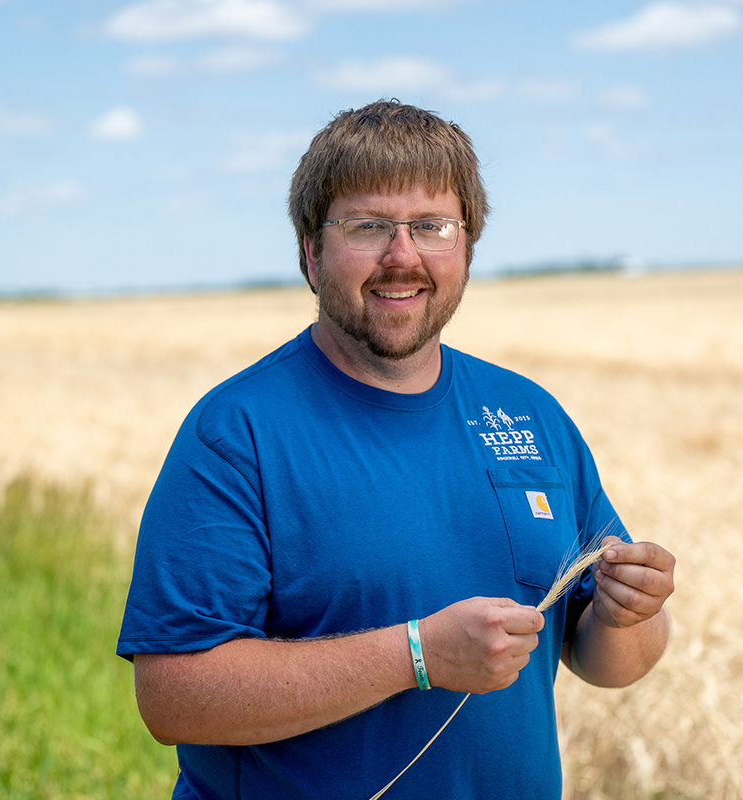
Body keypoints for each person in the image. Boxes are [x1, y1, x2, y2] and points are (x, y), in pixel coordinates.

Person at [117, 99, 676, 800]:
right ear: (310, 254)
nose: (402, 256)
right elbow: (172, 697)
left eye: (431, 226)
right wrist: (416, 655)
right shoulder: (238, 433)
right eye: (369, 226)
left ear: (467, 247)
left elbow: (610, 662)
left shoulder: (532, 417)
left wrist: (632, 614)